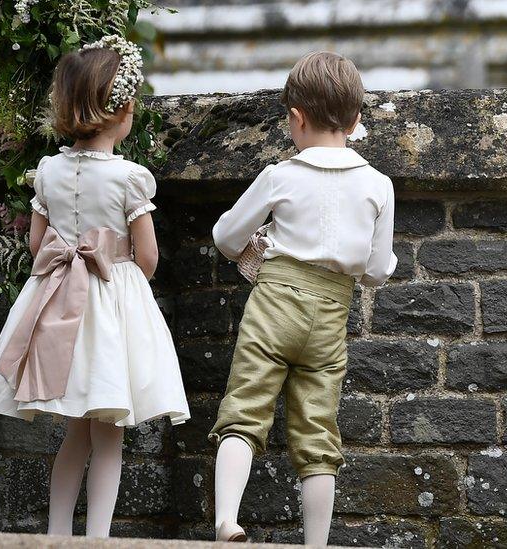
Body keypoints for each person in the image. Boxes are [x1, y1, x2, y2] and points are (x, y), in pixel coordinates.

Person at [0, 35, 190, 537]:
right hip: (109, 308)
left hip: (58, 302)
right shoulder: (129, 178)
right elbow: (148, 257)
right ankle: (97, 539)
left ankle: (56, 533)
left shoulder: (48, 172)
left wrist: (67, 262)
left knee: (75, 432)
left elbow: (38, 244)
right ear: (122, 109)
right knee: (108, 435)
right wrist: (124, 288)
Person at [207, 51, 397, 546]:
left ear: (297, 117)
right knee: (317, 434)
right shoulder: (378, 185)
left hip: (274, 305)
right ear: (356, 120)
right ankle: (315, 543)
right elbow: (376, 272)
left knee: (245, 410)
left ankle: (227, 519)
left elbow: (227, 238)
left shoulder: (280, 175)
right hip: (331, 317)